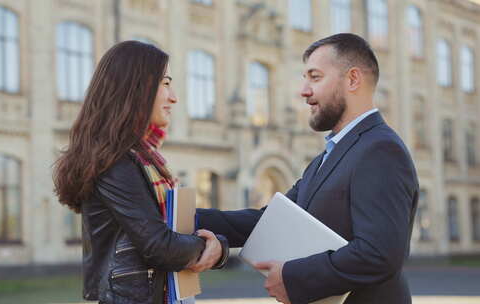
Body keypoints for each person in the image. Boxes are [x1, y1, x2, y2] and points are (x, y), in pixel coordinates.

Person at [196, 33, 419, 304]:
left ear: (352, 79)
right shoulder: (328, 156)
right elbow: (269, 220)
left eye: (315, 77)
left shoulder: (381, 150)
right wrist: (183, 218)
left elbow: (379, 253)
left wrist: (292, 276)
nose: (303, 90)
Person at [53, 40, 228, 304]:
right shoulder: (115, 162)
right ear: (137, 89)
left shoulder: (139, 158)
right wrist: (214, 247)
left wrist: (223, 244)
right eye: (165, 83)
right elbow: (159, 245)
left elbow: (167, 229)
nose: (174, 97)